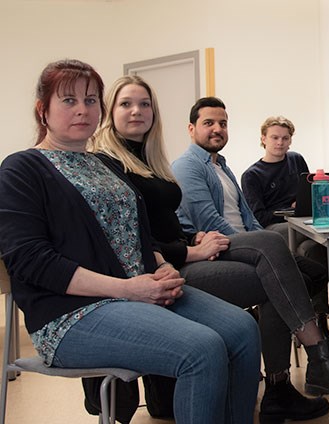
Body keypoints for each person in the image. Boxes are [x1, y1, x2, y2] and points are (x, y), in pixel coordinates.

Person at [91, 76, 329, 422]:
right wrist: (190, 250)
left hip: (188, 252)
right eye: (126, 104)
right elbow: (134, 240)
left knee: (280, 256)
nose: (136, 111)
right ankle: (310, 362)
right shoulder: (120, 164)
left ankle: (294, 376)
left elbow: (168, 225)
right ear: (191, 128)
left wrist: (189, 241)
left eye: (144, 104)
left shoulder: (157, 161)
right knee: (278, 268)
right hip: (168, 270)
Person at [0, 59, 261, 423]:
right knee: (202, 349)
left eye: (91, 101)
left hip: (139, 293)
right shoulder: (22, 168)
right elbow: (30, 259)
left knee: (243, 330)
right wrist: (127, 289)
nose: (82, 110)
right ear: (42, 110)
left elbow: (140, 235)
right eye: (69, 101)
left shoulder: (103, 164)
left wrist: (164, 267)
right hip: (70, 314)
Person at [178, 108, 329, 325]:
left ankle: (320, 314)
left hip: (300, 224)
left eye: (285, 138)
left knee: (316, 247)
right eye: (275, 138)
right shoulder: (251, 174)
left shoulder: (296, 160)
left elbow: (305, 194)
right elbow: (258, 215)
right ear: (263, 139)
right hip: (274, 226)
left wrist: (307, 206)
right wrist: (289, 212)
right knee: (315, 241)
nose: (280, 143)